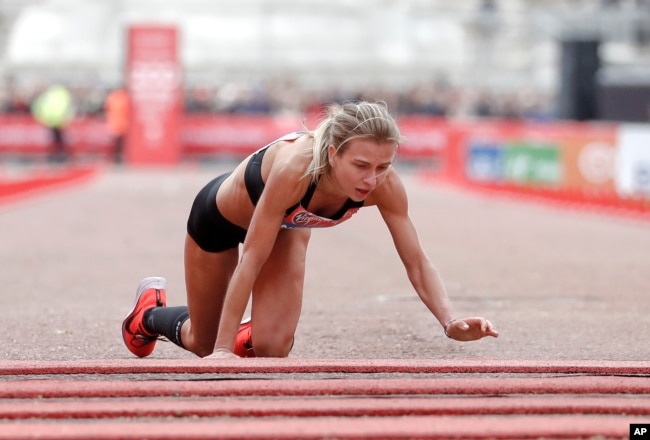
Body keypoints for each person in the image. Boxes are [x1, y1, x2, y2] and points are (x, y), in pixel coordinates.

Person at [122, 101, 498, 359]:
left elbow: (416, 260)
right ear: (333, 154)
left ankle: (247, 327)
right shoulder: (295, 168)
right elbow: (252, 257)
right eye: (362, 165)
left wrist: (450, 321)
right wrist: (221, 352)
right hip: (220, 220)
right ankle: (148, 316)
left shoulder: (385, 183)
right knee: (203, 343)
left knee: (273, 347)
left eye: (383, 166)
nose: (372, 179)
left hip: (286, 227)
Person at [31, 84, 74, 163]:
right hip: (58, 121)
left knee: (57, 140)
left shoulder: (49, 96)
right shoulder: (61, 95)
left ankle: (58, 155)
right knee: (57, 140)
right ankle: (58, 155)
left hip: (54, 121)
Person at [104, 86, 130, 164]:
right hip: (123, 123)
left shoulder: (111, 98)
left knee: (117, 142)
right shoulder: (125, 98)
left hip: (115, 123)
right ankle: (119, 157)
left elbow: (107, 109)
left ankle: (116, 157)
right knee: (120, 142)